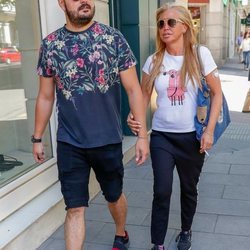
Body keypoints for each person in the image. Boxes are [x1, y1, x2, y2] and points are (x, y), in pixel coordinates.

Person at [32, 0, 149, 249]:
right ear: (61, 3)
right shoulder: (51, 44)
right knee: (74, 207)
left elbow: (133, 89)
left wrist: (142, 137)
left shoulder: (113, 38)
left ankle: (121, 233)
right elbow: (45, 96)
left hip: (107, 139)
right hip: (69, 141)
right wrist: (37, 137)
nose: (84, 0)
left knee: (113, 195)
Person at [127, 4, 222, 250]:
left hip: (192, 137)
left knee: (189, 189)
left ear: (184, 26)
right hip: (162, 137)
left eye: (170, 23)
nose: (164, 28)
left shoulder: (200, 55)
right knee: (162, 191)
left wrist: (209, 131)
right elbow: (142, 96)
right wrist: (135, 120)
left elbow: (217, 94)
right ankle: (157, 244)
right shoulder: (154, 60)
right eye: (160, 24)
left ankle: (186, 230)